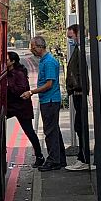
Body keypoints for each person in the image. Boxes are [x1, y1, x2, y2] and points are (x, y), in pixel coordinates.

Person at [21, 36, 66, 172]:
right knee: (54, 131)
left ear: (39, 47)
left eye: (33, 47)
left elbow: (49, 84)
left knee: (50, 132)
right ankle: (60, 159)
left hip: (50, 100)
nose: (32, 50)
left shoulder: (49, 62)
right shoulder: (45, 60)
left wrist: (32, 92)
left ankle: (53, 161)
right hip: (48, 100)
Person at [6, 51, 44, 167]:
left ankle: (39, 156)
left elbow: (21, 89)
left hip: (21, 106)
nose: (4, 62)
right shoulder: (6, 72)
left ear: (12, 61)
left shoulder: (19, 73)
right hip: (11, 106)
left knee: (29, 131)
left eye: (6, 60)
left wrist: (7, 88)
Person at [65, 24, 89, 170]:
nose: (69, 40)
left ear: (78, 34)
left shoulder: (81, 51)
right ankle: (82, 157)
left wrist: (75, 88)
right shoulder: (78, 50)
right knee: (78, 125)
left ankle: (84, 159)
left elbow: (80, 74)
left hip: (79, 93)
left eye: (70, 37)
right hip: (77, 93)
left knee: (80, 126)